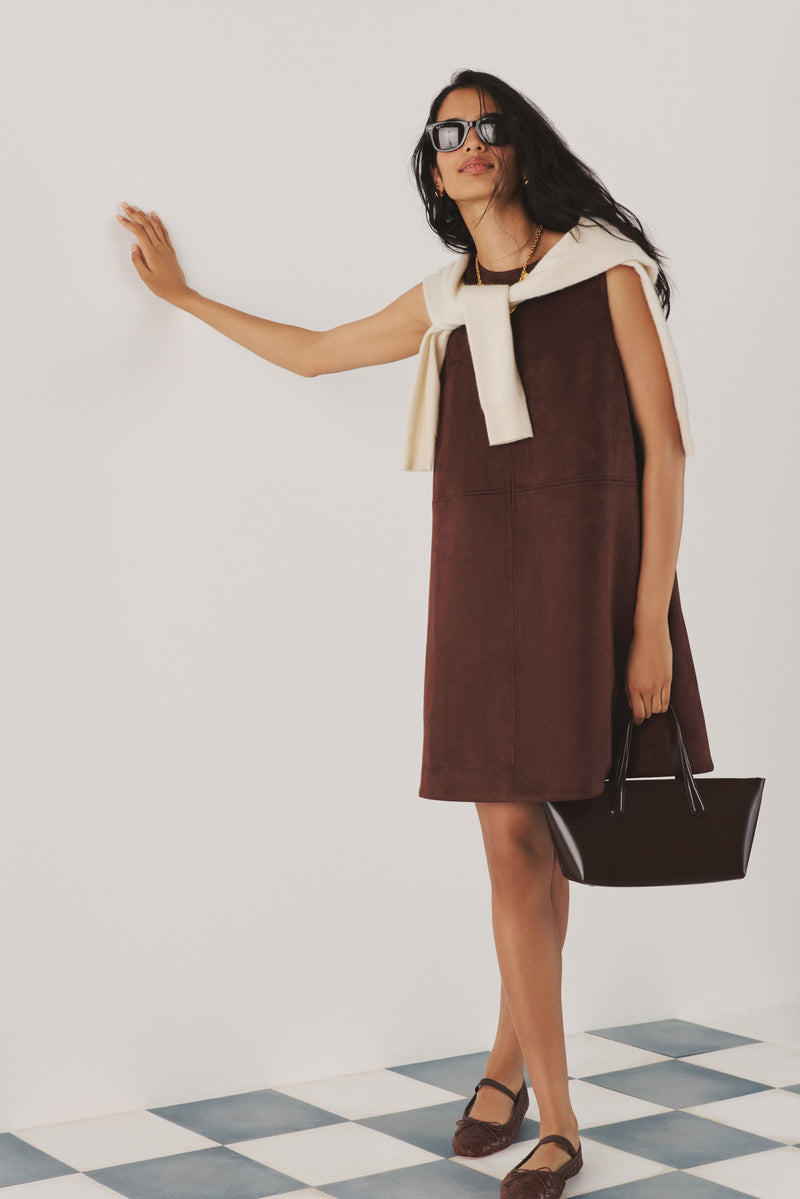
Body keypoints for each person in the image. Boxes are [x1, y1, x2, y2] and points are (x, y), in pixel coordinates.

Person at [115, 68, 714, 1199]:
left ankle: (526, 1085)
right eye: (448, 132)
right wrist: (184, 299)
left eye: (485, 126)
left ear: (517, 149)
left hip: (591, 584)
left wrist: (648, 621)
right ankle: (548, 1097)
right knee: (508, 840)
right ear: (434, 166)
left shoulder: (604, 271)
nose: (468, 142)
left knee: (558, 824)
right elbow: (314, 352)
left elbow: (666, 451)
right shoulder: (443, 298)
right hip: (484, 587)